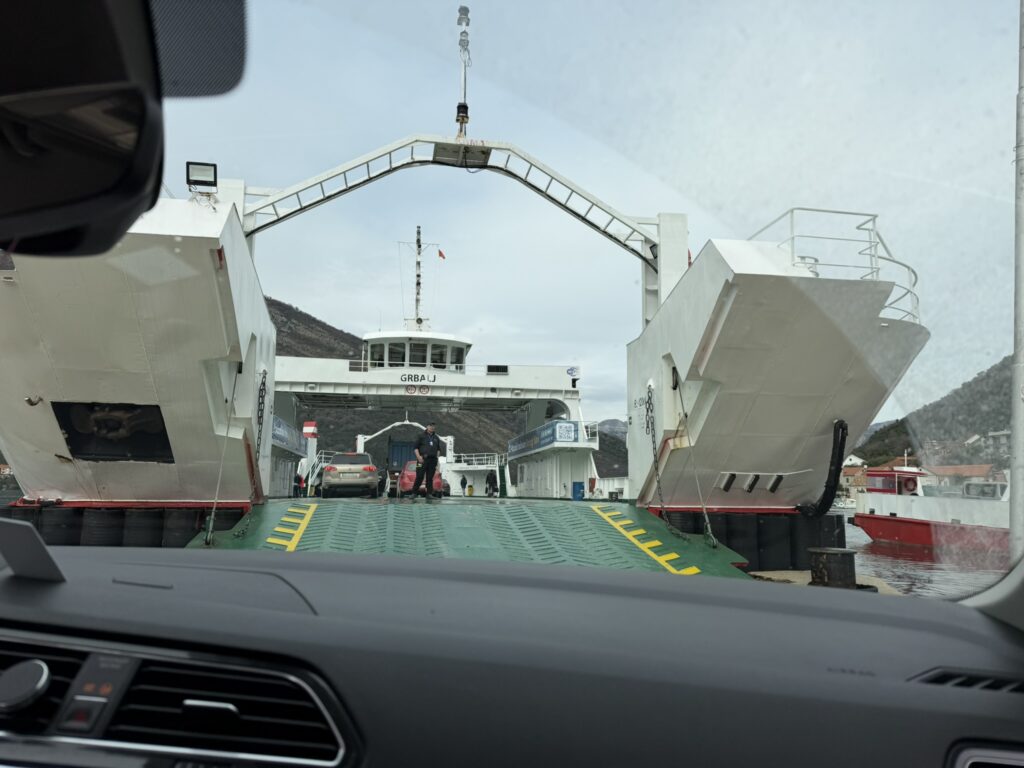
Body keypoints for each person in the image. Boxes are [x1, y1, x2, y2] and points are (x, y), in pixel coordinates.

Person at [411, 422, 443, 502]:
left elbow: (438, 449)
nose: (432, 427)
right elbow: (415, 448)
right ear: (427, 426)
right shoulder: (421, 436)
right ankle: (414, 493)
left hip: (432, 460)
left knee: (430, 478)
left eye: (433, 426)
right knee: (419, 476)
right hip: (422, 459)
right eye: (430, 426)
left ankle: (429, 494)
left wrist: (437, 458)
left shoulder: (436, 438)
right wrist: (419, 457)